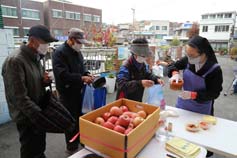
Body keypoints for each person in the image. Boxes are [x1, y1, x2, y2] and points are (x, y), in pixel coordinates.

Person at [1, 25, 58, 158]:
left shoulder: (36, 57)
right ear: (32, 40)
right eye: (45, 42)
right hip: (27, 117)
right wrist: (40, 117)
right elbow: (19, 97)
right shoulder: (15, 61)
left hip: (37, 111)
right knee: (30, 150)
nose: (47, 45)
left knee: (39, 147)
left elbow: (33, 82)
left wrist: (44, 81)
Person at [168, 35, 223, 157]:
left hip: (201, 108)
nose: (189, 58)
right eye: (187, 55)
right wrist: (175, 73)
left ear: (204, 53)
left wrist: (193, 95)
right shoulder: (188, 60)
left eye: (192, 55)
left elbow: (214, 92)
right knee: (180, 137)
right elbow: (173, 66)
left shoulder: (214, 69)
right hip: (183, 104)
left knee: (198, 140)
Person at [52, 28, 94, 154]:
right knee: (70, 121)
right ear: (70, 40)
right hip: (67, 93)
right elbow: (62, 75)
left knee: (82, 117)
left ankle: (82, 140)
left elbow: (82, 68)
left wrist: (87, 74)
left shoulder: (78, 52)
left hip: (80, 90)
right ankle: (71, 147)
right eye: (79, 42)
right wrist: (81, 78)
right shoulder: (59, 53)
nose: (80, 45)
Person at [116, 38, 164, 102]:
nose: (145, 58)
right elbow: (121, 85)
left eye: (146, 56)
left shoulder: (142, 64)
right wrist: (140, 83)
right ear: (135, 54)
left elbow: (148, 74)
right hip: (124, 100)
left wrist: (156, 79)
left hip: (137, 98)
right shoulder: (125, 67)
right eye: (143, 56)